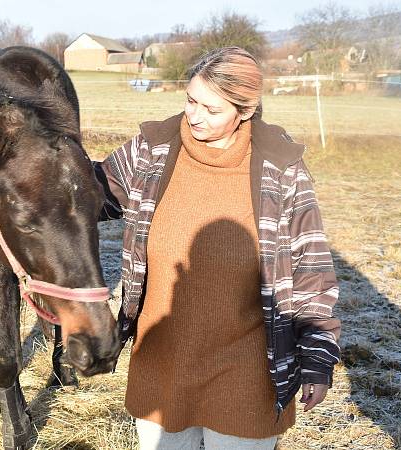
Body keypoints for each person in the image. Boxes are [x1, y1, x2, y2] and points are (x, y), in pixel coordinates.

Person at [92, 47, 341, 449]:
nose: (194, 115)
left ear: (245, 111)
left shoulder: (280, 167)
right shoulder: (153, 148)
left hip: (247, 366)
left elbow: (310, 268)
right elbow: (87, 194)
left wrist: (316, 361)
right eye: (191, 100)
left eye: (211, 108)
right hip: (162, 358)